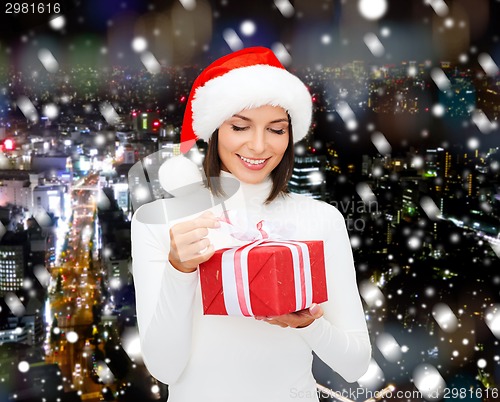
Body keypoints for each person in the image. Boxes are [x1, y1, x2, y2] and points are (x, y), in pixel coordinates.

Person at [131, 47, 371, 401]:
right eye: (240, 126)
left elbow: (355, 364)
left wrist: (308, 324)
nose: (258, 146)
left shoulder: (321, 219)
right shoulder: (164, 223)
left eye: (276, 129)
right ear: (213, 130)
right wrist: (179, 269)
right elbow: (165, 368)